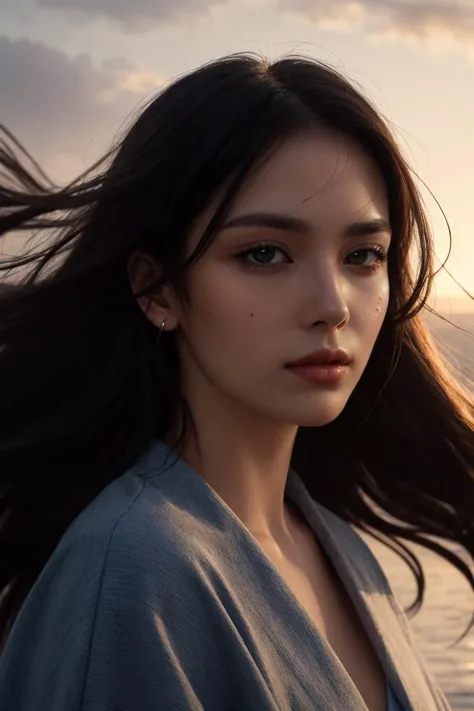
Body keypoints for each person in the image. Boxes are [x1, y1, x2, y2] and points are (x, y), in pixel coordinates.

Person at [0, 52, 472, 711]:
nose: (332, 304)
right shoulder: (134, 572)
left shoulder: (333, 542)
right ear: (156, 286)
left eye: (363, 255)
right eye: (264, 253)